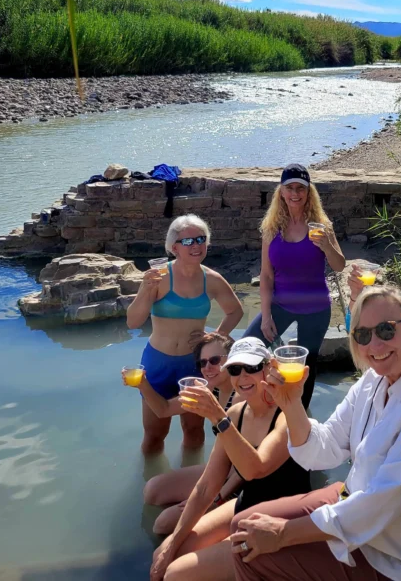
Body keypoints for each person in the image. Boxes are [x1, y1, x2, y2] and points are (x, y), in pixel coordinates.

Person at [228, 287, 401, 581]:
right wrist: (291, 404)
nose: (374, 344)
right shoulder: (374, 380)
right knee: (244, 525)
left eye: (386, 330)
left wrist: (283, 534)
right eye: (362, 335)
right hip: (358, 511)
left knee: (251, 556)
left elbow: (382, 501)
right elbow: (325, 449)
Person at [150, 338, 311, 581]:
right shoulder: (235, 413)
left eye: (252, 368)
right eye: (235, 369)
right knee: (165, 555)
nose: (243, 376)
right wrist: (172, 543)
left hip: (281, 517)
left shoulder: (288, 414)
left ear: (269, 368)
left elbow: (255, 469)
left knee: (176, 574)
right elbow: (206, 487)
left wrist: (217, 416)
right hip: (247, 503)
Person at [127, 214, 244, 453]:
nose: (196, 246)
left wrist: (214, 338)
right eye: (188, 241)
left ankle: (190, 483)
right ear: (174, 247)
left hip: (194, 365)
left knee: (193, 430)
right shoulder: (158, 278)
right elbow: (133, 322)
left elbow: (235, 312)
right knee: (154, 435)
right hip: (158, 362)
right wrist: (144, 291)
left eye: (201, 239)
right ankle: (150, 481)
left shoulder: (211, 279)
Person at [242, 163, 345, 408]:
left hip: (316, 308)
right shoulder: (271, 228)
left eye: (301, 188)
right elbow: (266, 276)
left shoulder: (322, 225)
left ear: (309, 193)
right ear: (281, 192)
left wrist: (326, 246)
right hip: (280, 304)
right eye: (290, 188)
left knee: (306, 366)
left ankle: (301, 415)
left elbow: (339, 265)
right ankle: (257, 403)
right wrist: (265, 316)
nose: (295, 193)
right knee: (247, 350)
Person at [124, 332, 241, 534]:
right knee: (152, 491)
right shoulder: (210, 390)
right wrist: (142, 384)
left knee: (163, 524)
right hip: (224, 467)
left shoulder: (241, 396)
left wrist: (215, 497)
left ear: (232, 360)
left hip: (243, 478)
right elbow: (163, 410)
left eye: (214, 360)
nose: (207, 368)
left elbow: (248, 462)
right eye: (202, 363)